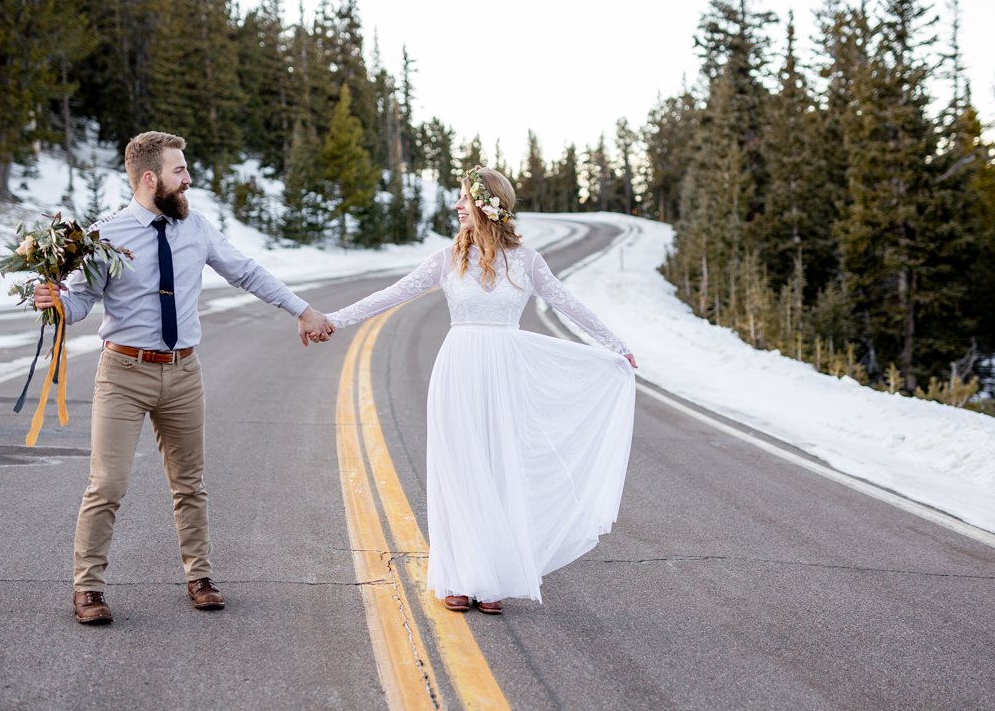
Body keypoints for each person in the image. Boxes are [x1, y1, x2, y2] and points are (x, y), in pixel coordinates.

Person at [305, 167, 637, 611]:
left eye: (464, 198)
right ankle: (460, 577)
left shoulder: (525, 261)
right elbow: (392, 294)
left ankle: (493, 577)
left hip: (504, 372)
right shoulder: (447, 258)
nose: (458, 205)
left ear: (489, 204)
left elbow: (568, 303)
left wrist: (616, 345)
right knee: (458, 471)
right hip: (458, 368)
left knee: (499, 468)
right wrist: (334, 319)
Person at [38, 131, 325, 627]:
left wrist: (300, 309)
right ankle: (88, 587)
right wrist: (59, 302)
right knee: (107, 484)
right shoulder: (104, 236)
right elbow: (83, 302)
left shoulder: (198, 228)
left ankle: (200, 577)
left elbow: (247, 272)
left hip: (184, 373)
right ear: (150, 179)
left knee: (190, 484)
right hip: (123, 374)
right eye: (179, 171)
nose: (188, 178)